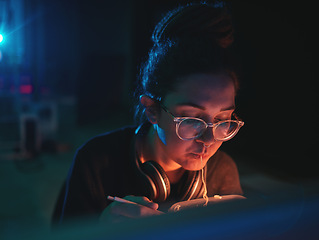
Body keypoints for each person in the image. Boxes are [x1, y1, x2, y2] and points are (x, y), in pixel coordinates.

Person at [52, 1, 244, 225]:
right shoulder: (95, 162)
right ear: (152, 110)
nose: (209, 140)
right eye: (193, 120)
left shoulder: (222, 171)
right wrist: (101, 231)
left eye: (222, 120)